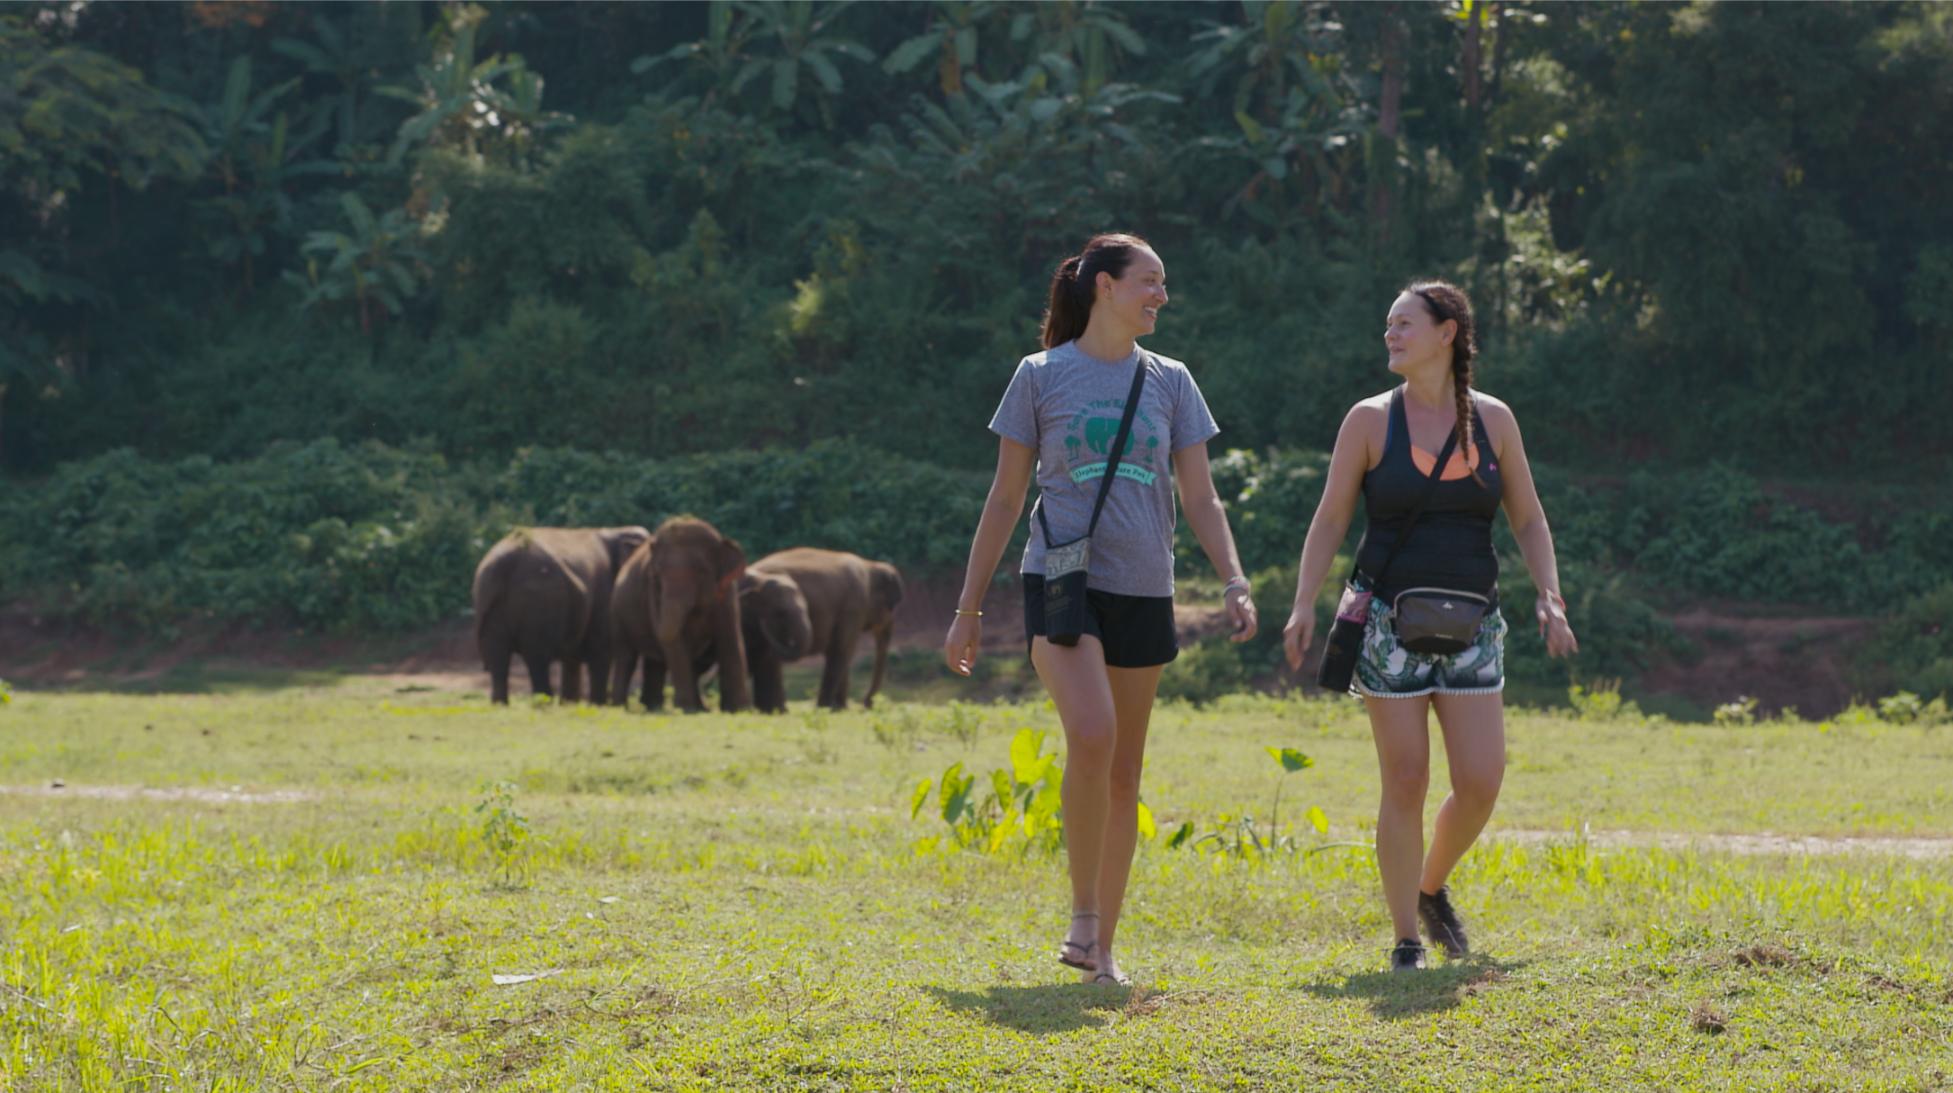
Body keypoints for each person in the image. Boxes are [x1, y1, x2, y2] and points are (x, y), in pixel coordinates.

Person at [943, 232, 1258, 987]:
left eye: (1163, 284)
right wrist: (967, 606)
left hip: (1145, 586)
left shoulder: (1172, 381)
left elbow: (1200, 495)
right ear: (1104, 287)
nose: (1161, 295)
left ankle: (1100, 950)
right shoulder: (1040, 375)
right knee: (1091, 730)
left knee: (1123, 770)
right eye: (1149, 281)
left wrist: (1235, 579)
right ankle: (1081, 911)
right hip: (1059, 579)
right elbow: (1005, 498)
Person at [1281, 280, 1578, 972]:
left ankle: (1427, 883)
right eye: (1387, 324)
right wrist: (1303, 601)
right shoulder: (1366, 420)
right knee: (1405, 777)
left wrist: (1549, 594)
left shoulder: (1494, 420)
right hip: (1386, 624)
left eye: (1403, 323)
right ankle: (1406, 939)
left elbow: (1528, 517)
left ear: (1446, 332)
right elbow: (1329, 518)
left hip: (1475, 621)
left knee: (1480, 778)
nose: (1390, 334)